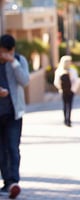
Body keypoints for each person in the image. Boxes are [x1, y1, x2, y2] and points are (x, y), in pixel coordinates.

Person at [0, 34, 30, 199]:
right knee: (1, 150)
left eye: (6, 51)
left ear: (12, 50)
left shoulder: (19, 60)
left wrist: (13, 62)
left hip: (14, 113)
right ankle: (7, 182)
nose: (3, 54)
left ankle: (14, 182)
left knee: (12, 147)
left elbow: (25, 81)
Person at [53, 55, 80, 127]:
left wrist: (60, 88)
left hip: (64, 91)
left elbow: (56, 82)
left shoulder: (59, 71)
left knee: (65, 105)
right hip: (70, 91)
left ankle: (66, 119)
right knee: (69, 105)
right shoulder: (72, 71)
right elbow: (76, 81)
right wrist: (72, 90)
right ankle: (68, 119)